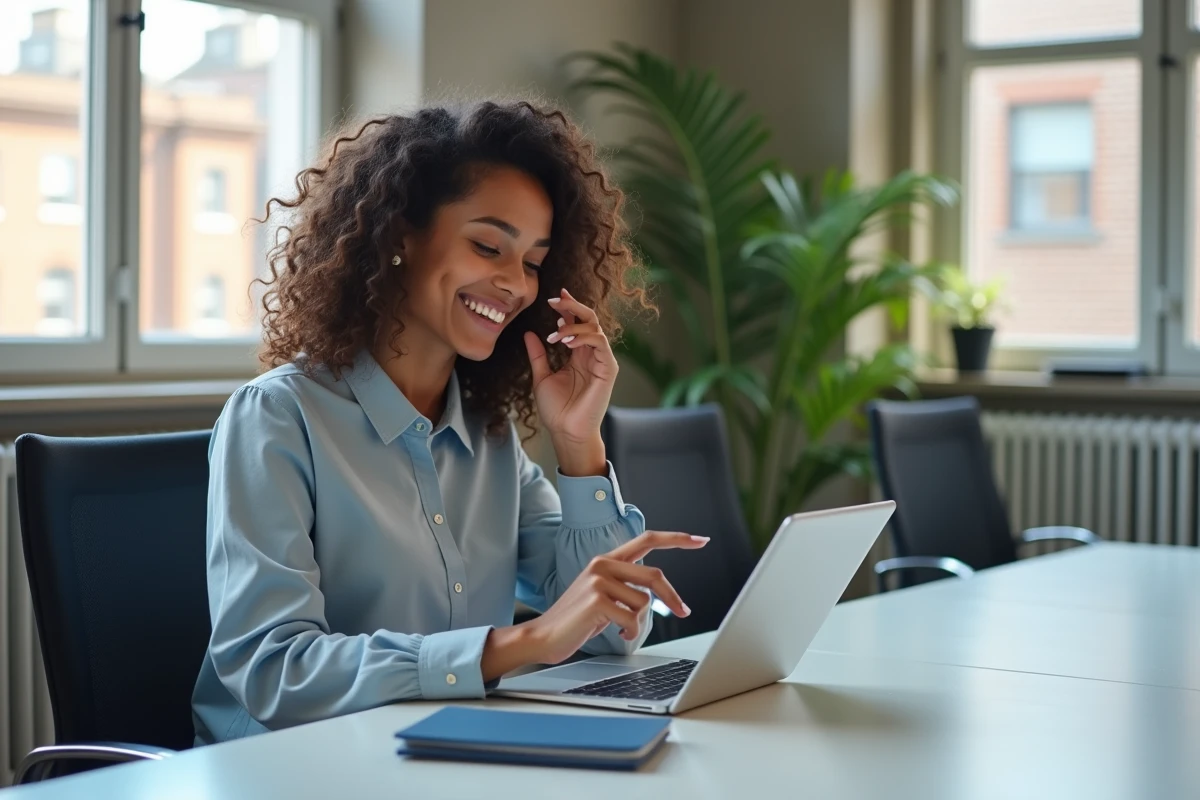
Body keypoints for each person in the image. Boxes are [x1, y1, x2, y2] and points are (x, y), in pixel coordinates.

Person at [191, 99, 708, 744]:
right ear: (400, 236)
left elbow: (610, 634)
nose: (515, 284)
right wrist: (519, 644)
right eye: (488, 246)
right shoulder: (278, 415)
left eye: (532, 262)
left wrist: (578, 443)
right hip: (294, 768)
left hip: (445, 752)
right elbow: (273, 672)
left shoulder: (488, 433)